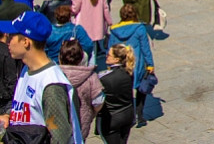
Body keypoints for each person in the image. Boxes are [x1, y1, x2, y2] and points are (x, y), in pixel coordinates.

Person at [0, 11, 83, 144]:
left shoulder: (51, 86)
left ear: (26, 42)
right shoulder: (26, 70)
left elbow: (60, 138)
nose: (7, 42)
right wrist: (8, 116)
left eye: (11, 37)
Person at [108, 4, 154, 128]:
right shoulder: (139, 28)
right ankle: (140, 115)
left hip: (122, 65)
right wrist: (150, 64)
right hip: (137, 64)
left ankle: (130, 116)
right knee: (141, 89)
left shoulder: (114, 30)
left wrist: (109, 65)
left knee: (125, 91)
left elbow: (111, 48)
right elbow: (145, 48)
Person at [58, 39, 104, 141]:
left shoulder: (54, 75)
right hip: (82, 124)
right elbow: (98, 102)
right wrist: (91, 113)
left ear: (60, 57)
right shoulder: (91, 77)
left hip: (58, 126)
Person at [97, 43, 136, 143]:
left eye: (109, 55)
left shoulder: (104, 78)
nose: (106, 56)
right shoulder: (129, 72)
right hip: (127, 114)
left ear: (116, 59)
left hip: (111, 118)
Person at [72, 0, 112, 64]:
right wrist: (109, 22)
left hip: (82, 26)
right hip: (96, 26)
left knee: (81, 51)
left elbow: (74, 9)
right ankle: (92, 68)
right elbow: (105, 9)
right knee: (93, 52)